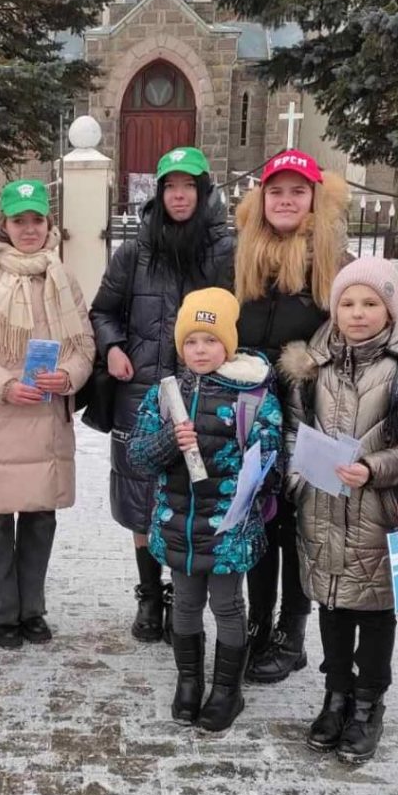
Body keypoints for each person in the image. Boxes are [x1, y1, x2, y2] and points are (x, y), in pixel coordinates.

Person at [280, 258, 398, 763]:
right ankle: (336, 695)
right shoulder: (311, 369)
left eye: (370, 303)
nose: (358, 313)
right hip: (322, 507)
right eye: (347, 303)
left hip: (378, 512)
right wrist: (297, 480)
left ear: (390, 310)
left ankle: (368, 704)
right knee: (333, 607)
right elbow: (294, 430)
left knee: (376, 612)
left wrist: (373, 467)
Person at [90, 147, 233, 645]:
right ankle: (150, 595)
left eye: (189, 186)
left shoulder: (224, 252)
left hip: (204, 397)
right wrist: (112, 347)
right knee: (141, 499)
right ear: (159, 193)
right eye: (171, 186)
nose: (179, 195)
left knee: (191, 497)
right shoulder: (134, 253)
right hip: (141, 392)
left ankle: (183, 598)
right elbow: (102, 311)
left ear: (203, 191)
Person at [0, 179, 94, 649]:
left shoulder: (61, 275)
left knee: (39, 519)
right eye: (19, 220)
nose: (29, 229)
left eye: (37, 220)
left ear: (49, 223)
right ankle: (0, 613)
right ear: (4, 225)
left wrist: (67, 376)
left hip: (46, 415)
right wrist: (3, 383)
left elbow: (85, 344)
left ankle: (32, 609)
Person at [128, 288, 282, 731]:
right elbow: (138, 457)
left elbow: (271, 461)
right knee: (186, 603)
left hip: (228, 527)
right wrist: (168, 441)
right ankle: (189, 683)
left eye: (210, 340)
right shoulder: (165, 395)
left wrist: (253, 473)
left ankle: (227, 690)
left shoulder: (253, 397)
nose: (200, 349)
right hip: (178, 522)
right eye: (191, 341)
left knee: (227, 606)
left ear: (227, 344)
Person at [234, 149, 349, 683]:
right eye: (276, 192)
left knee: (299, 527)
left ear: (314, 199)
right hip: (253, 412)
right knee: (259, 517)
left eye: (297, 192)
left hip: (313, 417)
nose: (285, 201)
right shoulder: (239, 258)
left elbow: (353, 335)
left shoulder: (335, 263)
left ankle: (292, 631)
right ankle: (258, 622)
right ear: (261, 199)